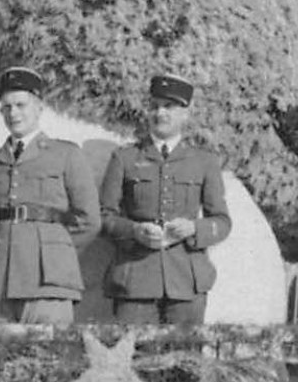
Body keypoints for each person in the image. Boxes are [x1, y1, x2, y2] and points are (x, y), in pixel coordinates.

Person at [99, 73, 232, 324]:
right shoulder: (124, 158)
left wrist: (193, 228)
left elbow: (222, 221)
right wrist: (135, 230)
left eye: (169, 107)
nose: (160, 113)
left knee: (184, 360)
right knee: (132, 359)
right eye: (154, 106)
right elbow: (103, 217)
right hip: (135, 283)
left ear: (186, 112)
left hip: (187, 283)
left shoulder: (204, 161)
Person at [0, 67, 100, 324]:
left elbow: (89, 220)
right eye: (6, 107)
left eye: (21, 105)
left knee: (49, 357)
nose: (13, 113)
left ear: (39, 107)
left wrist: (55, 252)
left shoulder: (66, 155)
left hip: (48, 282)